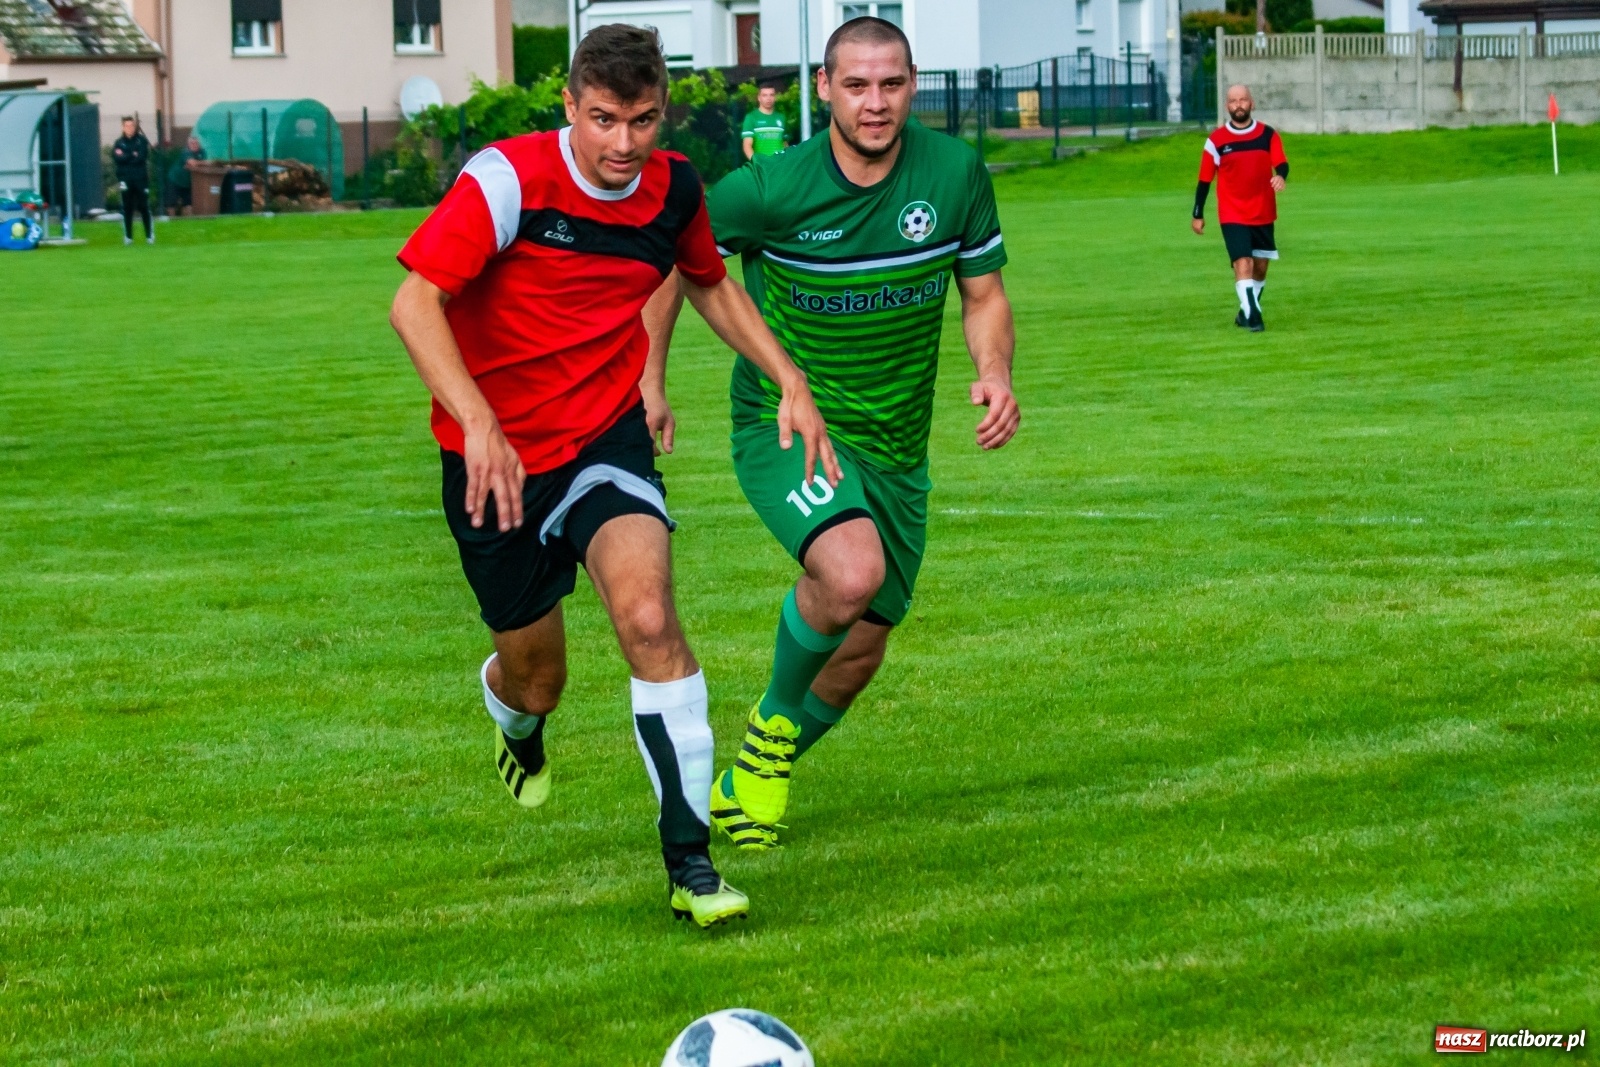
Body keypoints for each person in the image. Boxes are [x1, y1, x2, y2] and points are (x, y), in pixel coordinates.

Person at [389, 24, 839, 926]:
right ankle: (510, 712)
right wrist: (477, 419)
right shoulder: (507, 178)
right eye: (603, 119)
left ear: (662, 113)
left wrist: (788, 375)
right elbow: (414, 301)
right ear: (569, 106)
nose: (624, 144)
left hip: (605, 439)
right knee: (539, 679)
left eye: (642, 120)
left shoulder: (672, 189)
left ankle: (691, 865)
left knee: (647, 615)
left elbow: (708, 281)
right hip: (497, 464)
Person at [643, 16, 1020, 850]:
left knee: (857, 655)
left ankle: (744, 780)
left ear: (913, 84)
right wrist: (651, 377)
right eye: (856, 85)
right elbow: (677, 253)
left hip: (895, 446)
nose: (875, 103)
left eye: (890, 84)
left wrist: (994, 371)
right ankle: (772, 734)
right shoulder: (773, 187)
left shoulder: (955, 174)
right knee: (851, 571)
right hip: (787, 420)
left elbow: (984, 293)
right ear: (825, 89)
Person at [1192, 84, 1288, 333]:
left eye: (1243, 100)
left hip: (1263, 211)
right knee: (1241, 261)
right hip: (1232, 213)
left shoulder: (1268, 135)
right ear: (1227, 106)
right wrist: (1198, 213)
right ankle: (1254, 315)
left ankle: (1245, 310)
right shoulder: (1216, 140)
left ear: (1251, 103)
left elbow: (1281, 163)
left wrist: (1281, 176)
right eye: (1233, 101)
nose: (1238, 105)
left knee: (1260, 266)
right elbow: (1204, 179)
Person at [112, 117, 153, 245]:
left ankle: (149, 236)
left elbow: (141, 157)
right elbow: (117, 158)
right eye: (127, 126)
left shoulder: (141, 141)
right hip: (125, 179)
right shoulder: (119, 142)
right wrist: (131, 155)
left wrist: (126, 156)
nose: (130, 128)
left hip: (140, 178)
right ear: (123, 127)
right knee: (127, 207)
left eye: (132, 126)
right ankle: (128, 237)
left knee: (143, 206)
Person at [741, 83, 788, 160]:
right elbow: (747, 145)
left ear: (775, 97)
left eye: (771, 95)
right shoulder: (751, 117)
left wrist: (786, 160)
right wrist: (757, 163)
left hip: (780, 165)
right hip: (763, 165)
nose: (768, 98)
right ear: (759, 98)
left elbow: (784, 143)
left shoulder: (781, 117)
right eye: (765, 95)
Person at [168, 136, 206, 213]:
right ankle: (171, 222)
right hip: (175, 180)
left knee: (188, 203)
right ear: (188, 144)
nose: (194, 145)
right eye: (192, 143)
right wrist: (198, 163)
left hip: (188, 183)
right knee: (171, 203)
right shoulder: (185, 152)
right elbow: (192, 163)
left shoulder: (202, 152)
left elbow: (203, 164)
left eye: (196, 143)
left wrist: (197, 163)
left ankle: (188, 222)